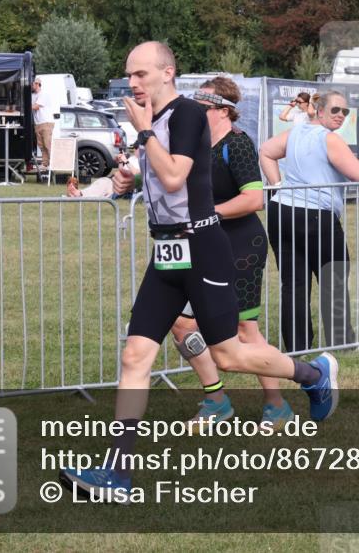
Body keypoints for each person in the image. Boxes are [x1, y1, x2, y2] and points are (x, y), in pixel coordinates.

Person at [60, 42, 340, 499]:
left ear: (168, 72)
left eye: (141, 74)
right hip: (166, 253)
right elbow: (154, 176)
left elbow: (174, 177)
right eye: (129, 75)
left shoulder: (186, 115)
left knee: (230, 354)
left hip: (203, 247)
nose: (133, 83)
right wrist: (124, 179)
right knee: (135, 356)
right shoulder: (154, 123)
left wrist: (146, 133)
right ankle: (117, 471)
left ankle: (313, 375)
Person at [167, 76, 294, 429]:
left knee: (244, 330)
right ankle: (216, 400)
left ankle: (277, 404)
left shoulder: (236, 145)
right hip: (202, 246)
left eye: (200, 109)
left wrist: (211, 213)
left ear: (224, 111)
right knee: (181, 323)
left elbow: (255, 199)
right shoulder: (195, 146)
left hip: (241, 246)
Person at [260, 91, 359, 353]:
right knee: (332, 278)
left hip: (282, 213)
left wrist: (278, 187)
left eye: (345, 112)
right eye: (335, 110)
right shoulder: (329, 139)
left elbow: (266, 151)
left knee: (294, 283)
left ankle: (297, 347)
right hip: (314, 216)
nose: (340, 116)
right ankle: (341, 342)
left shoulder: (297, 132)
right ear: (319, 111)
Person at [31, 78, 55, 172]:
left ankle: (53, 163)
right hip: (38, 123)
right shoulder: (34, 95)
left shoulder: (43, 94)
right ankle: (45, 164)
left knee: (47, 144)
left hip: (46, 122)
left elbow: (36, 107)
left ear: (37, 84)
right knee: (41, 145)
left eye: (32, 84)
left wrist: (24, 106)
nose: (31, 86)